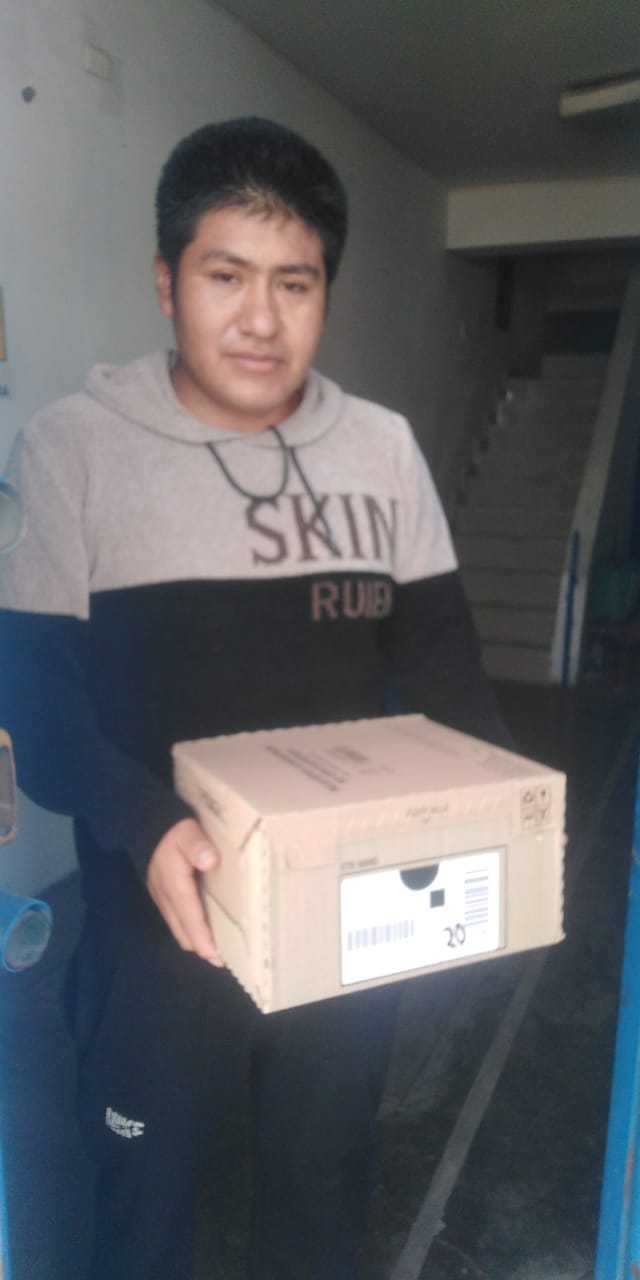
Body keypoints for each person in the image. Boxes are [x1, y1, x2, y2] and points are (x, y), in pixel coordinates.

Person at [0, 117, 506, 1280]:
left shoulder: (382, 452)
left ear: (326, 291)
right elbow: (35, 693)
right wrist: (144, 822)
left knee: (321, 1185)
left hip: (341, 912)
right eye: (225, 275)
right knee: (144, 1202)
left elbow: (445, 672)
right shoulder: (74, 449)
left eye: (295, 281)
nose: (261, 319)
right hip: (156, 918)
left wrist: (491, 837)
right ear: (166, 281)